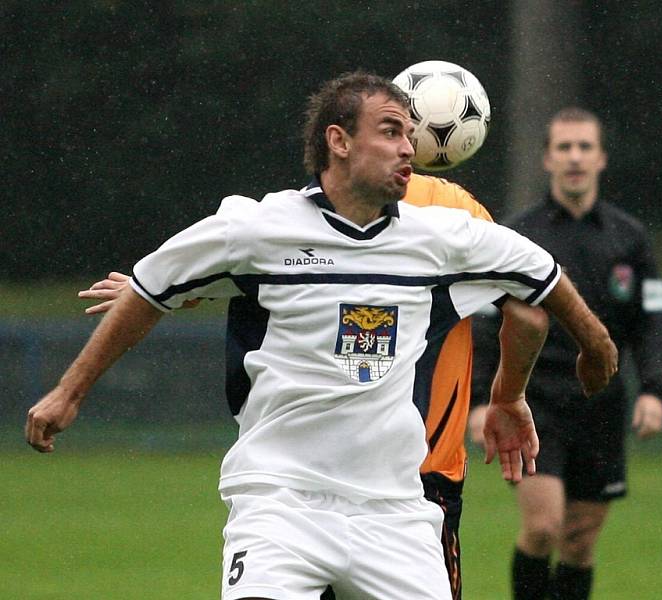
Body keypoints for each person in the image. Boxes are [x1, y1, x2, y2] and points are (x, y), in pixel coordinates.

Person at [26, 72, 616, 600]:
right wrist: (70, 392)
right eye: (391, 131)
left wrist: (597, 346)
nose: (409, 147)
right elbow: (149, 290)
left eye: (411, 133)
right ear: (338, 141)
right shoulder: (256, 229)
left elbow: (541, 276)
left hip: (396, 513)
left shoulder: (441, 235)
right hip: (281, 504)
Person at [469, 107, 662, 600]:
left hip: (601, 405)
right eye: (564, 147)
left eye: (584, 147)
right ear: (547, 159)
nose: (574, 157)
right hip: (535, 403)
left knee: (579, 543)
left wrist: (653, 389)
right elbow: (486, 323)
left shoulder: (629, 237)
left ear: (601, 158)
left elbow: (652, 321)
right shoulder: (518, 235)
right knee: (544, 527)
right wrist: (480, 399)